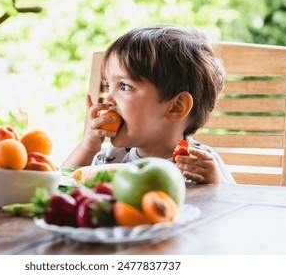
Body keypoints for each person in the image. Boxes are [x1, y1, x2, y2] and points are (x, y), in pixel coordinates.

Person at [62, 25, 235, 184]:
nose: (107, 100)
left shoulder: (200, 164)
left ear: (176, 107)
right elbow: (59, 187)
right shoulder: (112, 158)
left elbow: (238, 209)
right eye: (108, 86)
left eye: (124, 86)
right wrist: (87, 147)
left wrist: (218, 184)